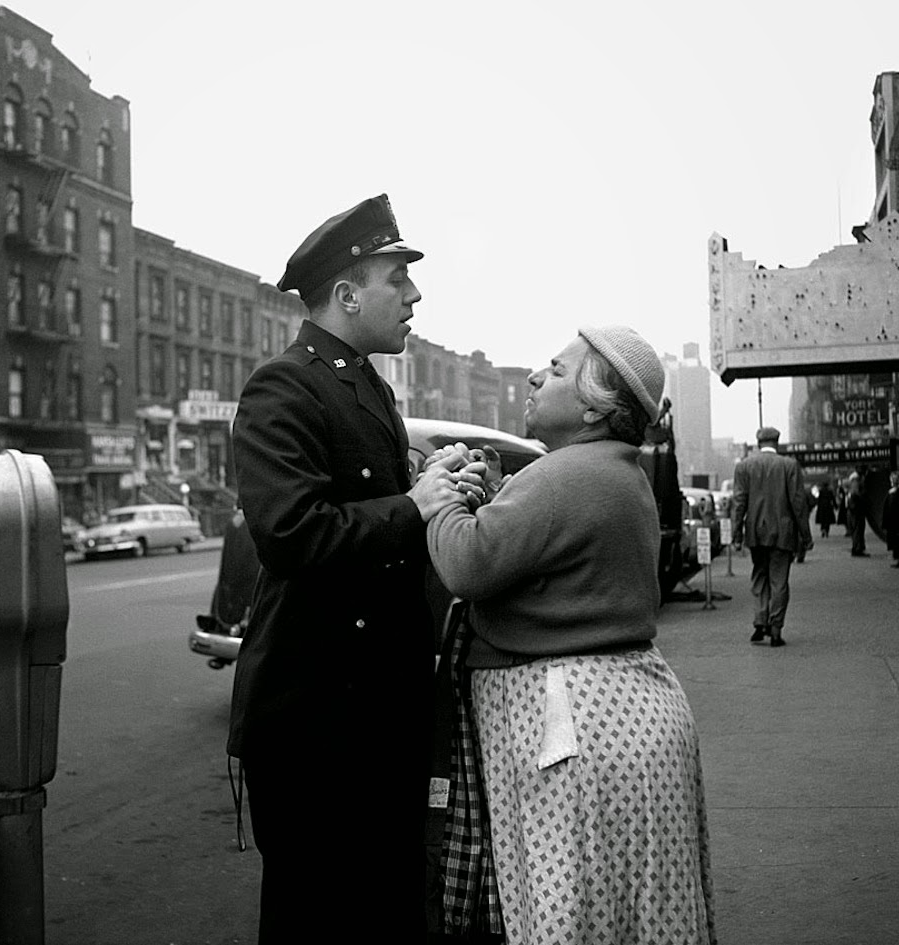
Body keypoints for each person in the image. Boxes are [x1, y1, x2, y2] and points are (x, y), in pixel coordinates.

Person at [227, 194, 480, 943]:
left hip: (374, 712)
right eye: (396, 278)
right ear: (346, 294)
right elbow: (290, 531)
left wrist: (439, 481)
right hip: (316, 725)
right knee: (319, 913)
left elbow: (371, 496)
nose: (413, 295)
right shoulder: (284, 385)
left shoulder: (365, 383)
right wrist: (415, 502)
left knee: (382, 906)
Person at [427, 327, 716, 944]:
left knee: (572, 908)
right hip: (623, 717)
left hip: (572, 730)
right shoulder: (609, 471)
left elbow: (467, 564)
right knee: (632, 910)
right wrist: (503, 494)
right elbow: (552, 554)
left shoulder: (564, 476)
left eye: (555, 371)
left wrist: (437, 499)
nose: (535, 377)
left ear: (593, 407)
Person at [731, 426, 813, 647]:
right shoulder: (789, 466)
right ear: (777, 442)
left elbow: (739, 503)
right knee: (779, 581)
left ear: (758, 443)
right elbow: (798, 503)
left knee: (759, 576)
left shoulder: (744, 467)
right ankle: (776, 629)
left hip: (756, 532)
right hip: (783, 534)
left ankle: (760, 620)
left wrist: (736, 533)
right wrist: (806, 535)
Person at [846, 470, 869, 557]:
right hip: (856, 510)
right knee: (858, 529)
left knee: (856, 529)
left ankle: (857, 547)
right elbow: (857, 493)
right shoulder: (856, 481)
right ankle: (857, 548)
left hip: (853, 509)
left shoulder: (853, 482)